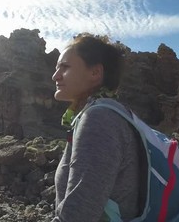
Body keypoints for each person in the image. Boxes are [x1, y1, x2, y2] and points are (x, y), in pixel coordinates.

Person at [51, 33, 147, 222]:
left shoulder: (99, 119)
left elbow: (79, 215)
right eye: (56, 68)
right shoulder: (115, 113)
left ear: (95, 73)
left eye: (65, 67)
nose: (55, 75)